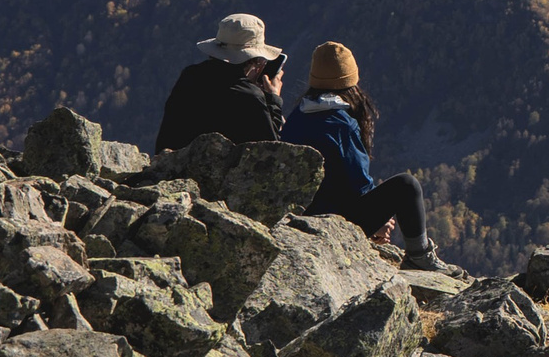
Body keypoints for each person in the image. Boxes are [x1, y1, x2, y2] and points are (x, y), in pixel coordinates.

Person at [284, 40, 450, 272]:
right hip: (334, 222)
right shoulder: (341, 124)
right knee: (406, 185)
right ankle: (420, 257)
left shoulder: (297, 116)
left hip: (300, 217)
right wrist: (378, 223)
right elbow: (357, 184)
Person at [155, 14, 286, 153]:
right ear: (253, 61)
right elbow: (270, 149)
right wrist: (273, 99)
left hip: (171, 165)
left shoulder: (190, 76)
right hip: (217, 172)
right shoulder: (249, 97)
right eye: (261, 62)